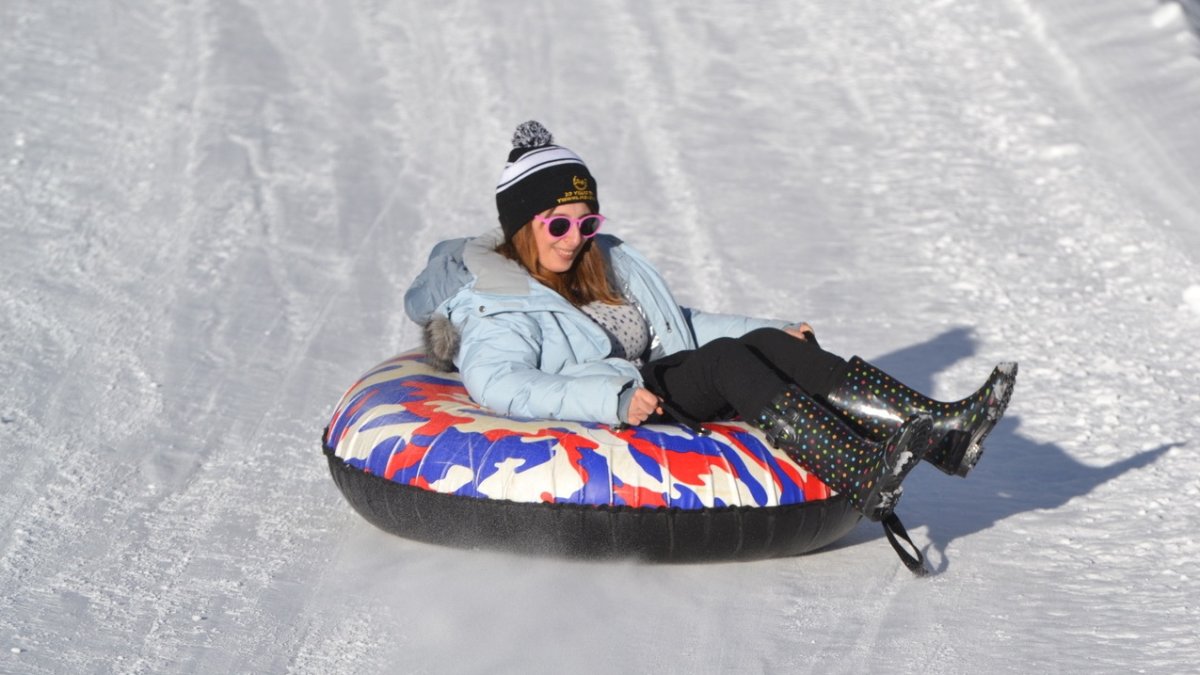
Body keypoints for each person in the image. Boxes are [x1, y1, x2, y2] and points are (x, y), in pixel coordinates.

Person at [404, 121, 1017, 523]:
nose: (574, 238)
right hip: (621, 395)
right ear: (522, 224)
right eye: (557, 225)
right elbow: (501, 385)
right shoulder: (496, 302)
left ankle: (941, 431)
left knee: (763, 344)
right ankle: (856, 467)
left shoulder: (600, 263)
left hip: (655, 375)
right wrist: (610, 396)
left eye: (585, 223)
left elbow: (681, 324)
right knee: (728, 363)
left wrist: (775, 329)